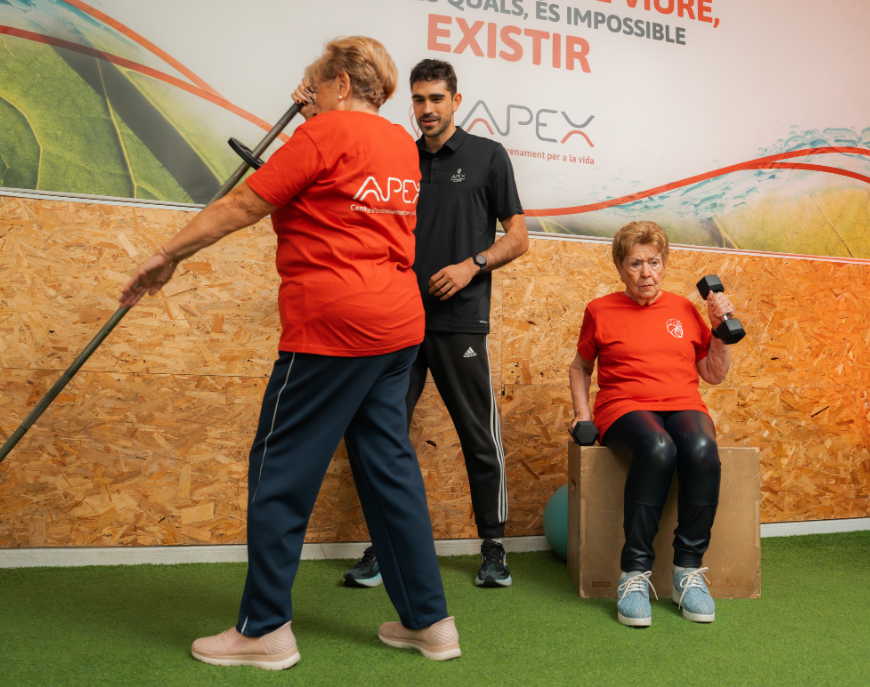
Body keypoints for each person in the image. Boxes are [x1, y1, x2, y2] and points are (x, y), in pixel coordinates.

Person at [120, 37, 460, 669]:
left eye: (313, 84)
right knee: (389, 473)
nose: (307, 95)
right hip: (396, 328)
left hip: (333, 330)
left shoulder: (322, 138)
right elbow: (340, 177)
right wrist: (313, 114)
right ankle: (431, 623)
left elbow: (247, 203)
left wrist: (167, 254)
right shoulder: (400, 149)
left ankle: (264, 629)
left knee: (278, 470)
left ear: (335, 83)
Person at [343, 59, 529, 590]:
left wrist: (473, 264)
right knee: (384, 436)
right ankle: (383, 546)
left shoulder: (488, 157)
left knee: (479, 436)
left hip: (460, 323)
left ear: (456, 100)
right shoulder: (398, 155)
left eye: (436, 99)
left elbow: (518, 237)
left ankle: (493, 550)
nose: (426, 110)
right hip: (398, 321)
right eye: (419, 100)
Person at [568, 220, 734, 628]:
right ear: (620, 267)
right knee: (658, 448)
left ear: (664, 264)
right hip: (624, 406)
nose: (646, 273)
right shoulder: (600, 310)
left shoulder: (682, 308)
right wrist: (582, 416)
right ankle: (635, 575)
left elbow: (712, 373)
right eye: (636, 263)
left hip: (681, 402)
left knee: (700, 449)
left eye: (654, 262)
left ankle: (687, 572)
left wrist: (719, 333)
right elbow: (580, 367)